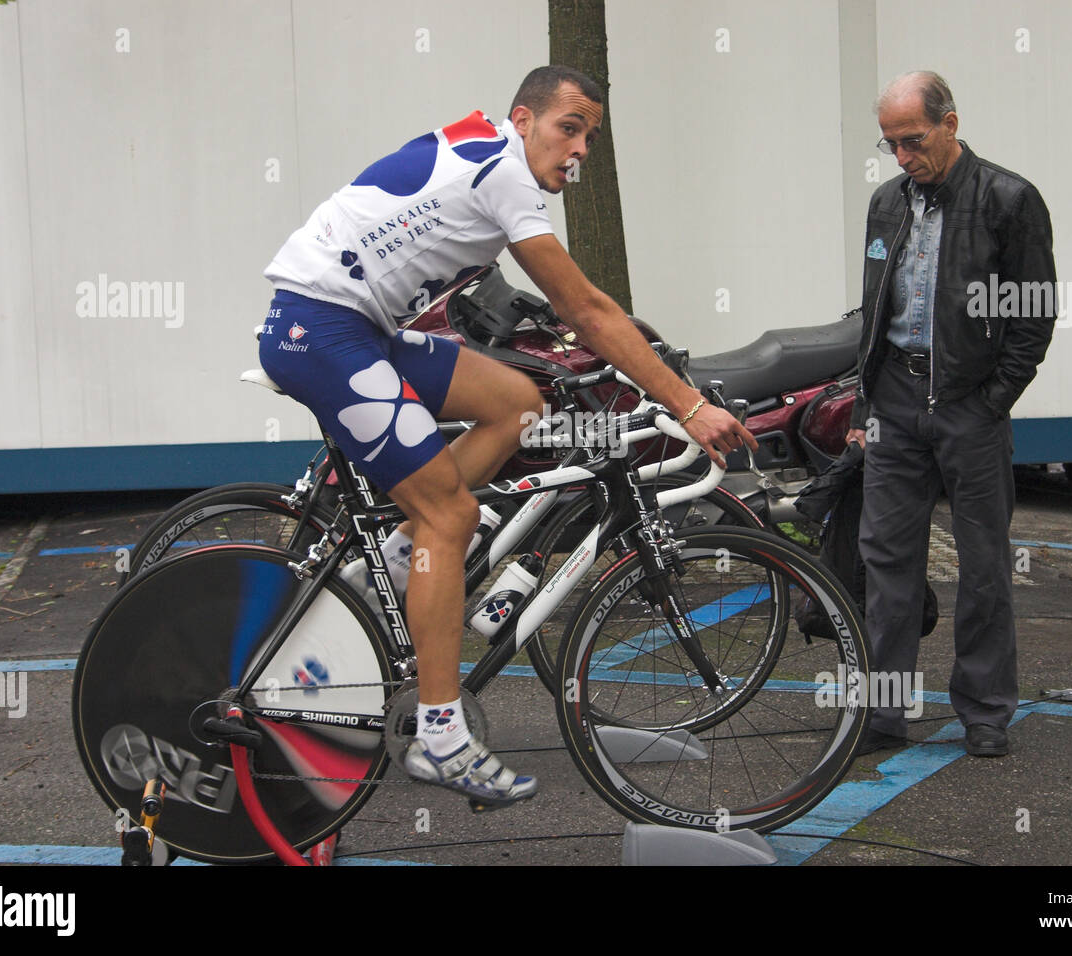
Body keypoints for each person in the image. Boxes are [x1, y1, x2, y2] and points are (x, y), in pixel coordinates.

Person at [258, 65, 756, 808]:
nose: (580, 148)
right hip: (321, 330)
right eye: (569, 126)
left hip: (356, 326)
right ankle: (440, 736)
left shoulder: (492, 149)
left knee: (517, 399)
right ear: (523, 118)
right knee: (451, 516)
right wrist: (685, 404)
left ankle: (402, 552)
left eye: (591, 134)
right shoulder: (508, 174)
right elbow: (586, 308)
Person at [844, 71, 1057, 758]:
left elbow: (1032, 316)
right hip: (897, 404)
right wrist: (865, 406)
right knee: (885, 562)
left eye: (914, 141)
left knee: (986, 564)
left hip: (969, 405)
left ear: (951, 124)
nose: (903, 157)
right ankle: (881, 712)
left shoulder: (1008, 199)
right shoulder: (887, 203)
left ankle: (987, 711)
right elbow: (876, 312)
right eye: (891, 144)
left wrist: (994, 402)